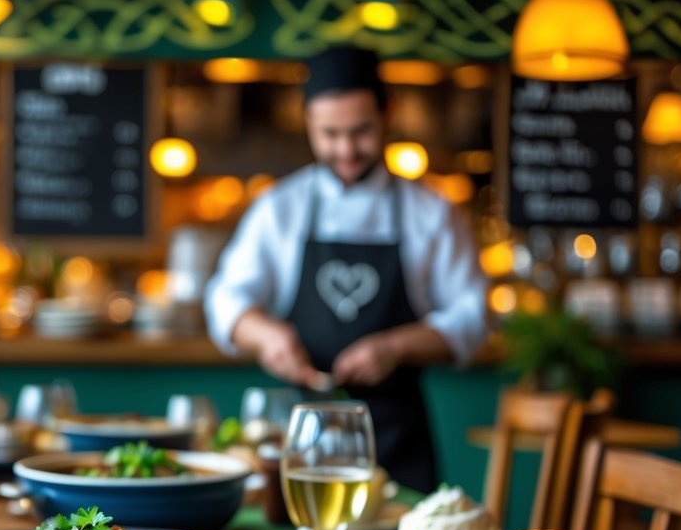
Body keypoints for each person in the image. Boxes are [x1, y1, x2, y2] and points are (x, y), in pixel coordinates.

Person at [203, 45, 488, 493]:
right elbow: (226, 300)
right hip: (302, 448)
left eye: (361, 132)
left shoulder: (430, 212)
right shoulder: (281, 208)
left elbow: (472, 318)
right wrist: (267, 336)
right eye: (330, 134)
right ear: (308, 122)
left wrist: (396, 346)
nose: (346, 149)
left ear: (387, 113)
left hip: (398, 446)